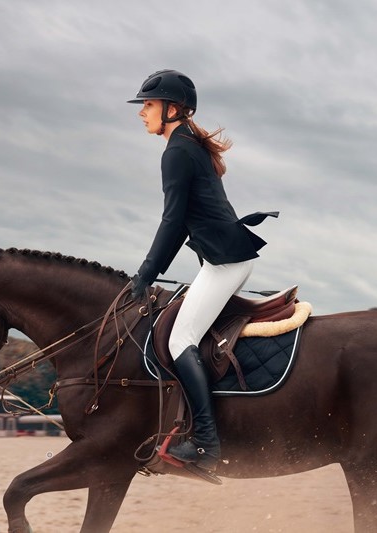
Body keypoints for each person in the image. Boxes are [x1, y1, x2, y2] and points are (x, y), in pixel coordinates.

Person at [127, 69, 277, 472]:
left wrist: (144, 275)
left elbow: (172, 222)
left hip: (226, 263)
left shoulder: (177, 151)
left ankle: (207, 445)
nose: (142, 112)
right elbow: (179, 224)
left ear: (172, 109)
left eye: (149, 105)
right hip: (224, 259)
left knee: (181, 341)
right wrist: (148, 274)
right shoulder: (186, 144)